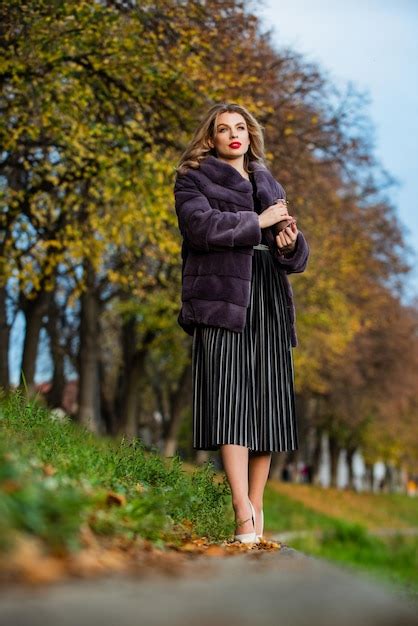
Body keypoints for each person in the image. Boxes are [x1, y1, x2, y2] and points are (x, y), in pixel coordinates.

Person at [174, 102, 309, 544]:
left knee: (267, 404)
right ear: (210, 138)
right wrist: (259, 222)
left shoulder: (268, 182)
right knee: (231, 402)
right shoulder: (192, 179)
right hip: (222, 299)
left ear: (250, 135)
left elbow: (293, 254)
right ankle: (241, 514)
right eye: (222, 129)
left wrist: (290, 242)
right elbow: (201, 228)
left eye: (240, 128)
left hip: (268, 292)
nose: (233, 134)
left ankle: (258, 503)